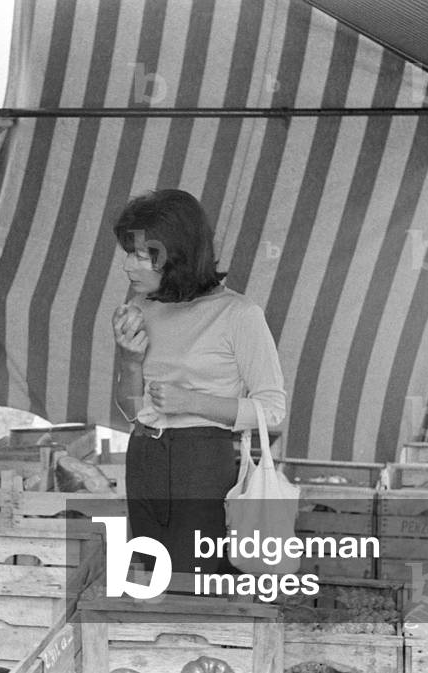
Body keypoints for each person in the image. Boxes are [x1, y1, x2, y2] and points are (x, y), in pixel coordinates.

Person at [111, 189, 287, 573]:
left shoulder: (239, 313)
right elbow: (130, 411)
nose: (127, 266)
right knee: (153, 577)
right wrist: (130, 359)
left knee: (198, 579)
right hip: (144, 457)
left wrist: (190, 402)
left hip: (202, 462)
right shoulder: (141, 307)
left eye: (141, 255)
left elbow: (273, 413)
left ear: (177, 255)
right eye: (128, 252)